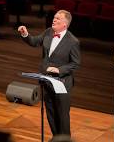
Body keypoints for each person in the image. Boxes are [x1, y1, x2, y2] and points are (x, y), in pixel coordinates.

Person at [17, 10, 81, 140]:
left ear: (64, 24)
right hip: (47, 81)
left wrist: (59, 70)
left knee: (62, 116)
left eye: (58, 18)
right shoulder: (48, 32)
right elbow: (34, 41)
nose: (54, 20)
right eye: (54, 17)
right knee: (50, 113)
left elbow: (75, 63)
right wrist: (25, 35)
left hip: (62, 83)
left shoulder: (73, 41)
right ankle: (56, 137)